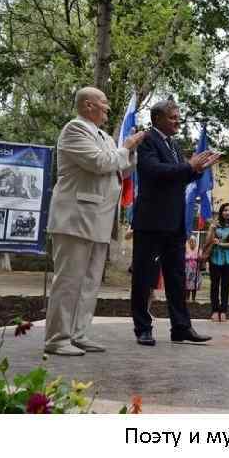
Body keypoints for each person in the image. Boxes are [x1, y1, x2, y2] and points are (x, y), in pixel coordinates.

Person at [44, 86, 146, 355]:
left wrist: (132, 151)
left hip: (100, 218)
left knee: (89, 281)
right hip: (75, 216)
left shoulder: (104, 136)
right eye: (103, 102)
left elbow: (120, 171)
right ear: (88, 105)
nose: (108, 107)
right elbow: (100, 163)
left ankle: (78, 333)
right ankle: (57, 338)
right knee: (69, 280)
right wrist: (125, 147)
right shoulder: (74, 130)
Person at [130, 98, 220, 346]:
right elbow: (153, 172)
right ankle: (143, 328)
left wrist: (197, 169)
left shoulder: (174, 144)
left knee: (177, 278)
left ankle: (180, 327)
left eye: (178, 117)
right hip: (150, 222)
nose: (178, 121)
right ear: (157, 118)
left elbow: (179, 178)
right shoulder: (147, 140)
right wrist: (188, 167)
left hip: (174, 222)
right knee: (144, 277)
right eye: (172, 117)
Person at [203, 202, 229, 322]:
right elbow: (207, 242)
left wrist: (220, 244)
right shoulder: (215, 225)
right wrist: (211, 229)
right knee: (214, 286)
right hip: (215, 260)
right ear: (221, 212)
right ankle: (215, 311)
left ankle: (223, 311)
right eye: (225, 210)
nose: (227, 212)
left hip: (228, 261)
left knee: (225, 287)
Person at [184, 235, 202, 304]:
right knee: (187, 285)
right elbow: (184, 257)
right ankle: (187, 298)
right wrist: (189, 257)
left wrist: (198, 257)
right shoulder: (186, 249)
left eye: (193, 242)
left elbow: (200, 258)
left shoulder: (198, 249)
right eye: (191, 242)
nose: (192, 243)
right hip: (188, 270)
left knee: (194, 285)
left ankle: (193, 299)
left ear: (195, 242)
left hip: (195, 270)